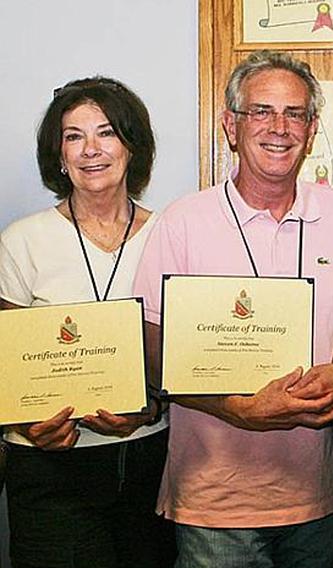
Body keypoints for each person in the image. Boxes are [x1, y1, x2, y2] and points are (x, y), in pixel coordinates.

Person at [132, 51, 333, 568]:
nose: (279, 128)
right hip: (214, 497)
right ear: (231, 126)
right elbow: (151, 351)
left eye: (295, 113)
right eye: (261, 111)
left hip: (312, 492)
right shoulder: (182, 222)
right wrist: (239, 409)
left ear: (312, 127)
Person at [0, 77, 174, 568]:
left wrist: (152, 406)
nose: (91, 150)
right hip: (50, 468)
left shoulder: (171, 233)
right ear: (57, 153)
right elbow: (6, 365)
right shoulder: (22, 240)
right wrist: (27, 422)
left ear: (131, 146)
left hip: (146, 459)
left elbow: (188, 352)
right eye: (74, 136)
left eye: (106, 132)